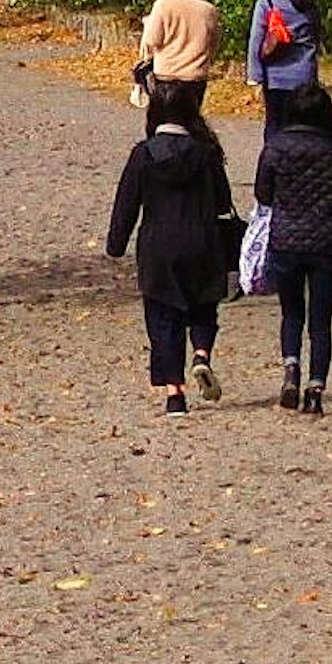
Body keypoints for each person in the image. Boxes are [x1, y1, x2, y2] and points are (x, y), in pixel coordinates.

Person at [107, 76, 238, 413]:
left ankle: (174, 394)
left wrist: (116, 244)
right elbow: (223, 202)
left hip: (158, 245)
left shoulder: (144, 154)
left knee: (163, 316)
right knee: (204, 307)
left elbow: (126, 204)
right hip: (202, 240)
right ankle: (201, 353)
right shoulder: (206, 154)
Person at [256, 82, 332, 415]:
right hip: (327, 242)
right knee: (321, 320)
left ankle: (290, 368)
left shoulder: (276, 148)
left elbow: (263, 194)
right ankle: (316, 388)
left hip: (286, 240)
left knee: (291, 312)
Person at [133, 0, 220, 109]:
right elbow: (214, 43)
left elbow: (152, 40)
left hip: (166, 75)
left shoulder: (163, 5)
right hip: (195, 76)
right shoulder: (209, 10)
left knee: (162, 119)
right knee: (190, 120)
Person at [247, 0, 325, 123]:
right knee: (303, 124)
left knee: (275, 124)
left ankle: (277, 149)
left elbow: (256, 40)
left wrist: (254, 75)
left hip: (276, 78)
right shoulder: (308, 4)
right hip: (305, 75)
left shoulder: (266, 3)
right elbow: (317, 35)